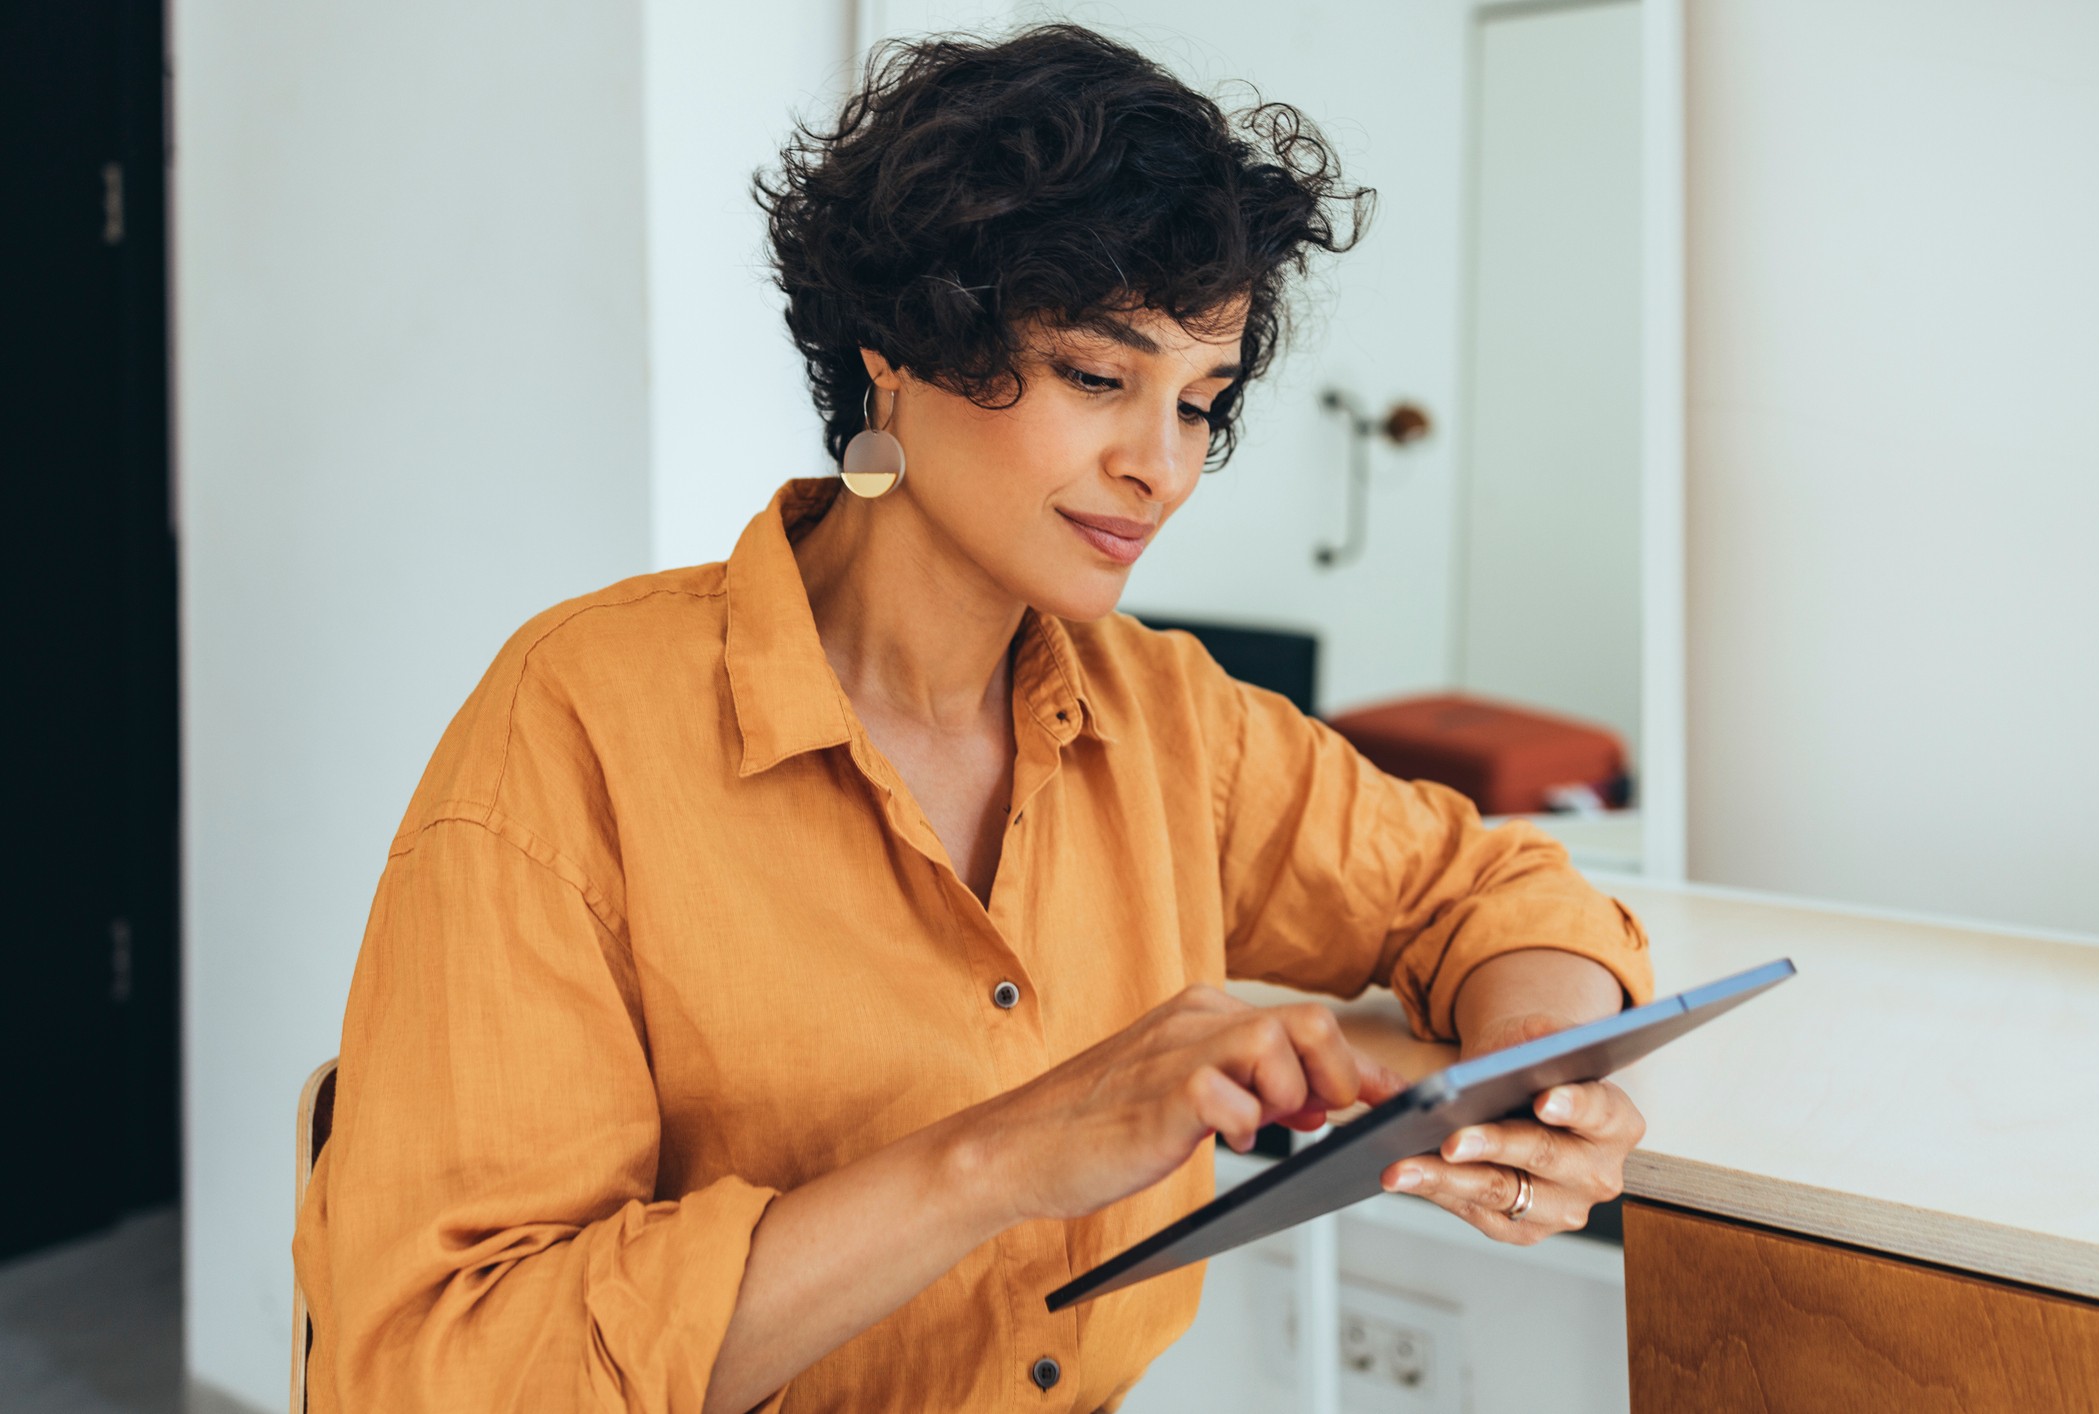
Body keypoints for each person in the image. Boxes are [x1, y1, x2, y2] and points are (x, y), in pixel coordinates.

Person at [293, 22, 1652, 1414]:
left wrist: (1531, 1084)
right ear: (897, 347)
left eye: (1201, 399)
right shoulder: (576, 726)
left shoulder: (1170, 721)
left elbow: (1494, 889)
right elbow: (444, 1371)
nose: (1160, 467)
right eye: (1094, 375)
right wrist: (1010, 1150)